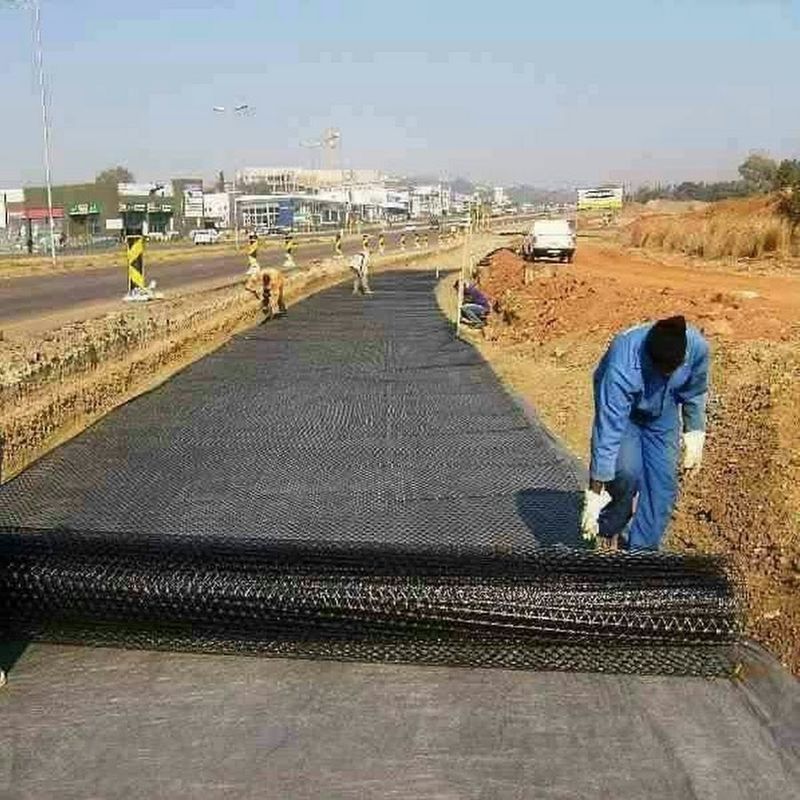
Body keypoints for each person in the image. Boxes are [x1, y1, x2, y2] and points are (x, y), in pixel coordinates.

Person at [580, 315, 709, 551]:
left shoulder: (697, 348)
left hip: (663, 411)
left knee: (662, 485)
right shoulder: (623, 364)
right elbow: (607, 432)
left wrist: (695, 432)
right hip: (625, 414)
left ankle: (642, 554)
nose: (666, 374)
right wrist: (594, 495)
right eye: (661, 370)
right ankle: (609, 526)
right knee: (626, 472)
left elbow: (695, 391)